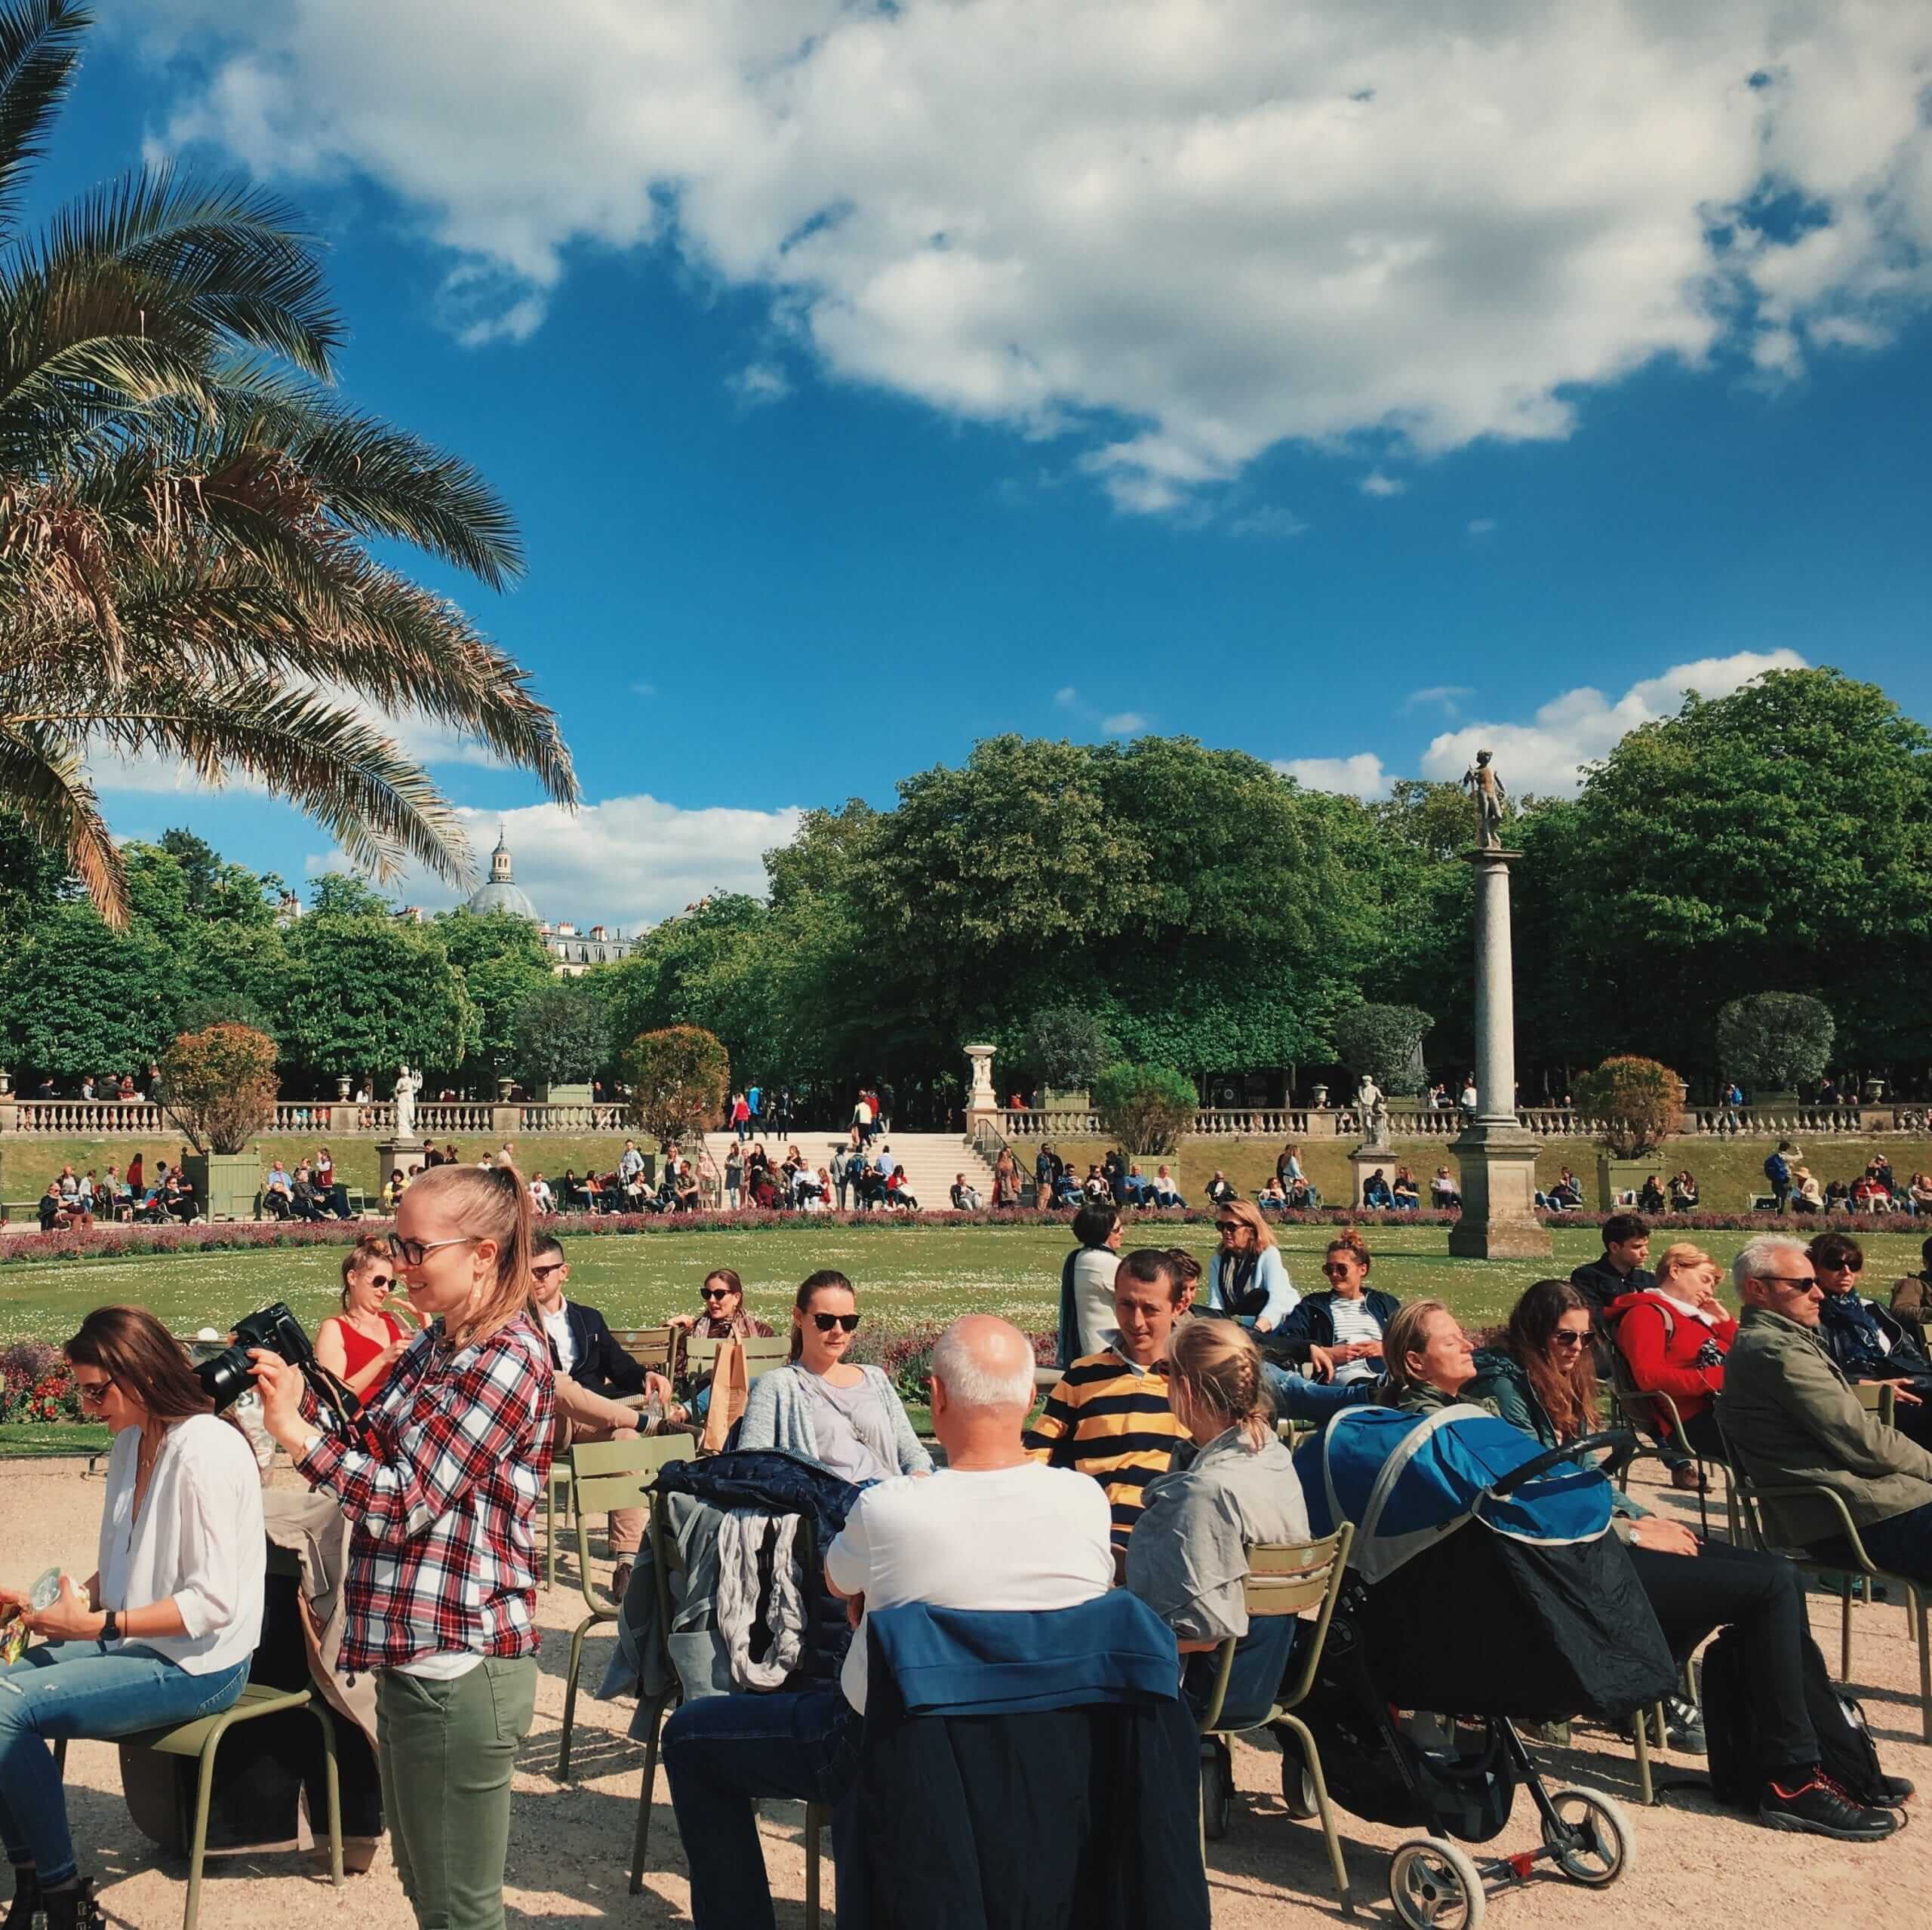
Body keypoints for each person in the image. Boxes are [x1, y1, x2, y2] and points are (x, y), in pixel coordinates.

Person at [663, 1315, 1110, 1930]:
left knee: (691, 1737)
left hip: (894, 1744)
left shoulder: (890, 1509)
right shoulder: (1085, 1502)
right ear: (1032, 1400)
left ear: (936, 1396)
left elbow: (836, 1583)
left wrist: (872, 1600)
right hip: (1044, 1746)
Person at [1455, 1280, 1903, 1837]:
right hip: (1569, 1558)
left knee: (1772, 1579)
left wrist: (1644, 1514)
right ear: (1532, 1333)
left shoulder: (1557, 1380)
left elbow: (1581, 1477)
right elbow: (1531, 1492)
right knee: (1771, 1583)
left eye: (1585, 1338)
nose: (1575, 1348)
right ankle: (1791, 1777)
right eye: (1562, 1337)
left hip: (1593, 1538)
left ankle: (1828, 1759)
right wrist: (1633, 1531)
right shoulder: (1502, 1387)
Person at [248, 1162, 555, 1930]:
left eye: (418, 1249)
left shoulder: (506, 1356)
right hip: (412, 1654)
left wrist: (295, 1436)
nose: (402, 1266)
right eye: (398, 1246)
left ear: (482, 1252)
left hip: (463, 1658)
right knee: (426, 1889)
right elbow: (369, 1441)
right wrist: (304, 1391)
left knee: (461, 1909)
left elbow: (406, 1499)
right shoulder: (434, 1345)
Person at [0, 1308, 266, 1929]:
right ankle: (38, 1881)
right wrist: (50, 1608)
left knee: (5, 1706)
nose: (89, 1407)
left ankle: (60, 1895)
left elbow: (212, 1604)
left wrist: (96, 1626)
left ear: (141, 1375)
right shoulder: (131, 1441)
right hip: (138, 1644)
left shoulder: (205, 1450)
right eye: (82, 1391)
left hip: (201, 1664)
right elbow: (120, 1568)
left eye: (98, 1390)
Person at [1128, 1317, 1309, 1715]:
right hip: (1263, 1672)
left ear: (1187, 1388)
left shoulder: (1205, 1492)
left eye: (1165, 1370)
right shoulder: (1273, 1457)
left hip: (1201, 1688)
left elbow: (1200, 1632)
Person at [530, 1232, 669, 1595]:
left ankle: (626, 1559)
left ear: (564, 1272)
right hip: (547, 1422)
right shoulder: (518, 1321)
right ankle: (648, 1422)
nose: (536, 1279)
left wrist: (645, 1375)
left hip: (594, 1422)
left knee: (626, 1440)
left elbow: (619, 1366)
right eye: (529, 1272)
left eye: (544, 1271)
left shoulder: (588, 1319)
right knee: (558, 1385)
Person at [1027, 1249, 1191, 1554]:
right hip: (1091, 1540)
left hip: (1168, 1543)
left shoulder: (1195, 1380)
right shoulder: (1082, 1375)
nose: (1136, 1321)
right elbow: (1036, 1454)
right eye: (1126, 1305)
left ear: (1179, 1306)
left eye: (1150, 1309)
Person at [737, 1272, 933, 1481]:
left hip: (889, 1499)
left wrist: (919, 1477)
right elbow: (751, 1465)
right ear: (798, 1317)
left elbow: (912, 1450)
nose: (838, 1331)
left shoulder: (875, 1378)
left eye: (848, 1321)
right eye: (825, 1320)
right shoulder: (778, 1385)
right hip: (831, 1507)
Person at [1607, 1240, 1735, 1474]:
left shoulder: (1694, 1318)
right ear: (1675, 1270)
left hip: (1726, 1410)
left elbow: (1747, 1357)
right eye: (1705, 1280)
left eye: (1714, 1285)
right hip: (1693, 1423)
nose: (1710, 1291)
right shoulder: (1645, 1314)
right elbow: (1650, 1378)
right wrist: (1725, 1377)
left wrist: (1724, 1324)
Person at [1807, 1232, 1932, 1446]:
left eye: (1853, 1264)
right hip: (1864, 1400)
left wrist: (1921, 1379)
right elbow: (1818, 1373)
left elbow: (1909, 1352)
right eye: (1835, 1264)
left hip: (1909, 1387)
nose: (1846, 1272)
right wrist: (1874, 1386)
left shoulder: (1873, 1309)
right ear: (1814, 1268)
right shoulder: (1811, 1315)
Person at [1277, 1232, 1398, 1385]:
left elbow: (1411, 1340)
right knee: (1367, 1386)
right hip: (1343, 1374)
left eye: (1342, 1269)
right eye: (1329, 1269)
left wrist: (1385, 1348)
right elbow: (1286, 1342)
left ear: (1362, 1269)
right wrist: (1325, 1352)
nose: (1334, 1275)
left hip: (1387, 1369)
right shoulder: (1313, 1306)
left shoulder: (1384, 1303)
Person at [314, 1237, 423, 1400]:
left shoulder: (393, 1319)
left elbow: (423, 1368)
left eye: (390, 1284)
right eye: (379, 1281)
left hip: (403, 1415)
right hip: (364, 1420)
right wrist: (382, 1359)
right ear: (352, 1278)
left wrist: (425, 1321)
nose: (385, 1289)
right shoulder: (335, 1329)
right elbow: (332, 1398)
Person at [1204, 1200, 1298, 1335]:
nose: (1225, 1232)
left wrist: (1256, 1331)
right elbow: (1216, 1303)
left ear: (1251, 1230)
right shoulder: (1219, 1259)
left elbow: (1278, 1301)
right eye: (1221, 1226)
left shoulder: (1268, 1254)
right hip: (1241, 1323)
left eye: (1231, 1227)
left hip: (1278, 1323)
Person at [1057, 1202, 1124, 1365]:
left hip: (1080, 1352)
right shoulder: (1107, 1264)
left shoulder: (1077, 1257)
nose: (1123, 1232)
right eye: (1117, 1229)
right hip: (1108, 1355)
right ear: (1102, 1233)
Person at [1570, 1212, 1655, 1320]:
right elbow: (1593, 1317)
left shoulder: (1649, 1279)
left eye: (1645, 1246)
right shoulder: (1587, 1277)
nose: (1645, 1252)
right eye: (1636, 1247)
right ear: (1614, 1247)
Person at [1764, 1141, 1795, 1213]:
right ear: (1787, 1149)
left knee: (1777, 1197)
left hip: (1774, 1180)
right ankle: (1780, 1215)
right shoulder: (1786, 1157)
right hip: (1784, 1180)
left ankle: (1775, 1213)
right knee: (1782, 1199)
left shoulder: (1775, 1157)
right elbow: (1800, 1157)